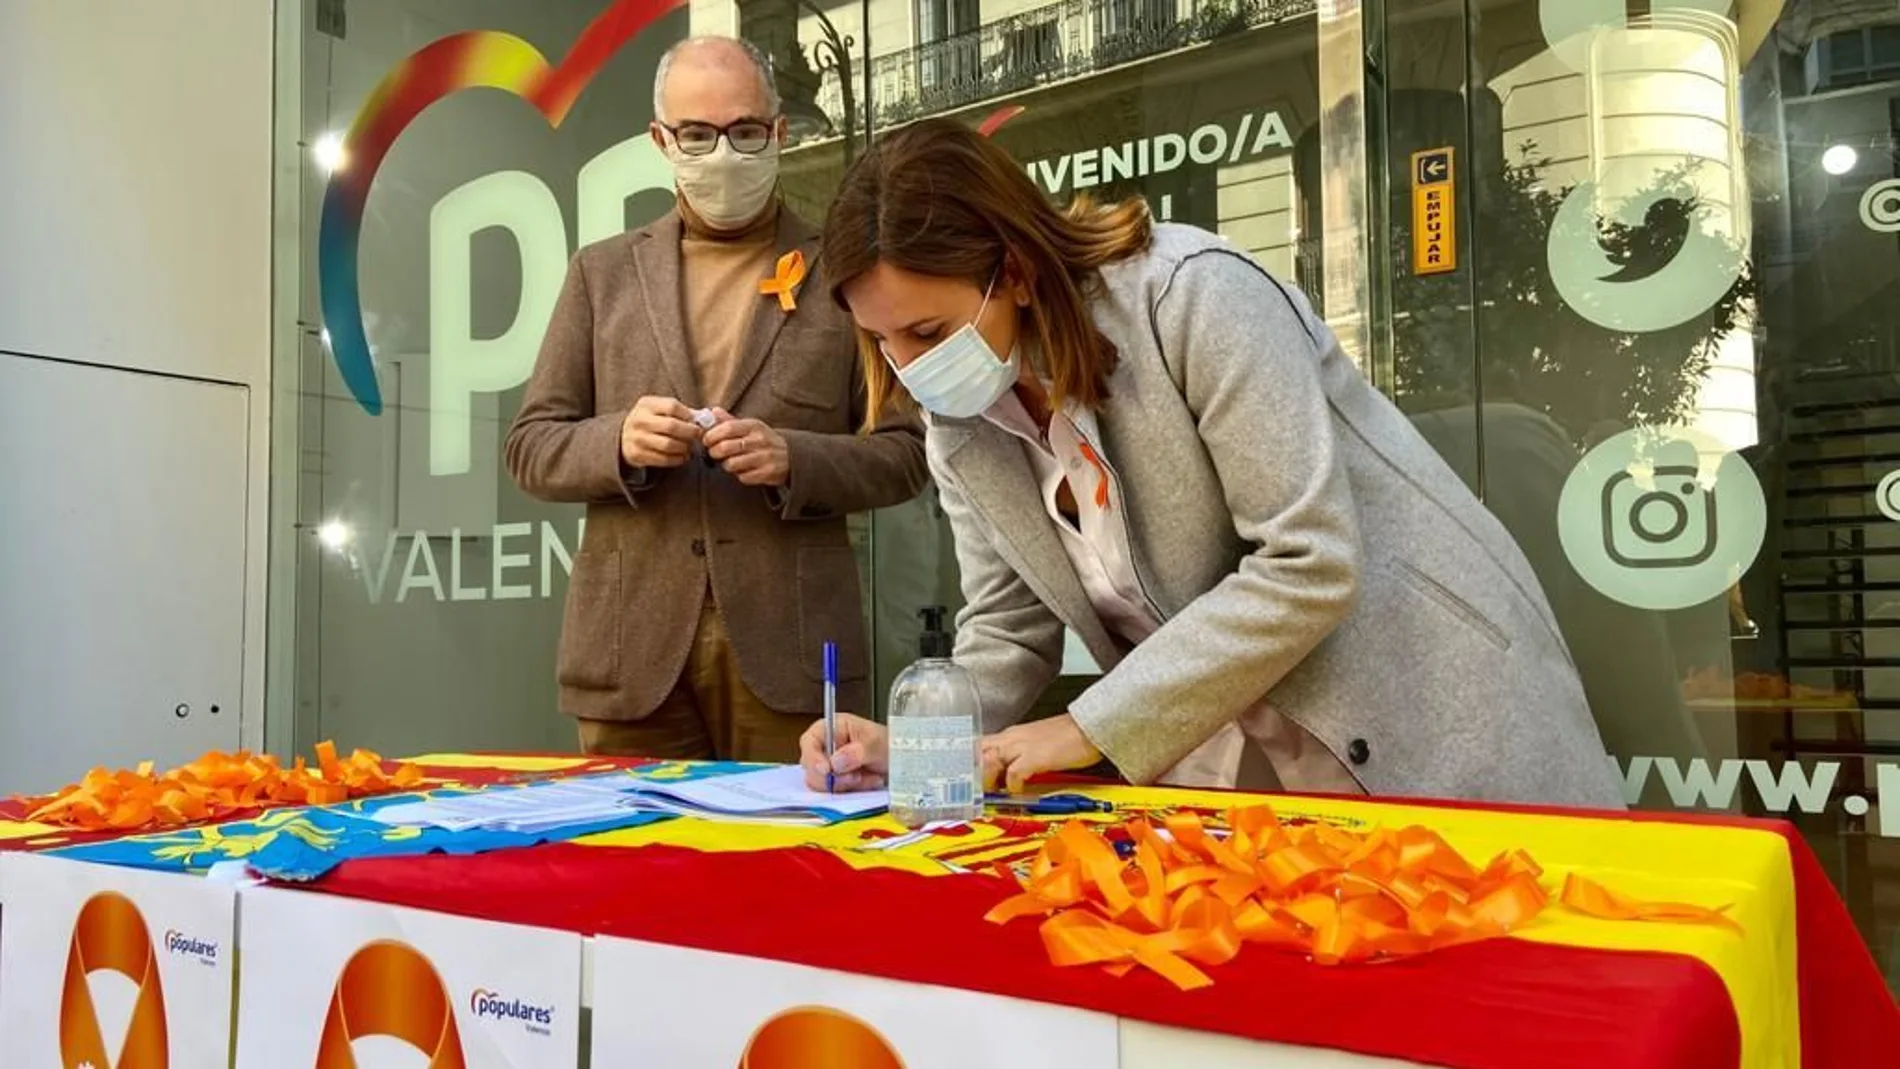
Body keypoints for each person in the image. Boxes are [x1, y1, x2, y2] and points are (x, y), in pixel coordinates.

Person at [798, 117, 1624, 808]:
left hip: (1434, 711)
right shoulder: (961, 424)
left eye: (929, 333)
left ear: (1011, 271)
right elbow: (1012, 627)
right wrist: (922, 743)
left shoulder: (1193, 296)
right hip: (1236, 762)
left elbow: (1309, 564)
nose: (906, 366)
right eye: (881, 340)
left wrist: (1085, 728)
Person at [507, 37, 927, 762]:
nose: (723, 153)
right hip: (628, 652)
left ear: (781, 133)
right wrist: (618, 442)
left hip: (792, 655)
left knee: (790, 863)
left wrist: (793, 457)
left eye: (745, 131)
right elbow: (530, 446)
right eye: (697, 134)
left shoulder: (844, 273)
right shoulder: (600, 274)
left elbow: (907, 453)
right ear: (660, 140)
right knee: (631, 867)